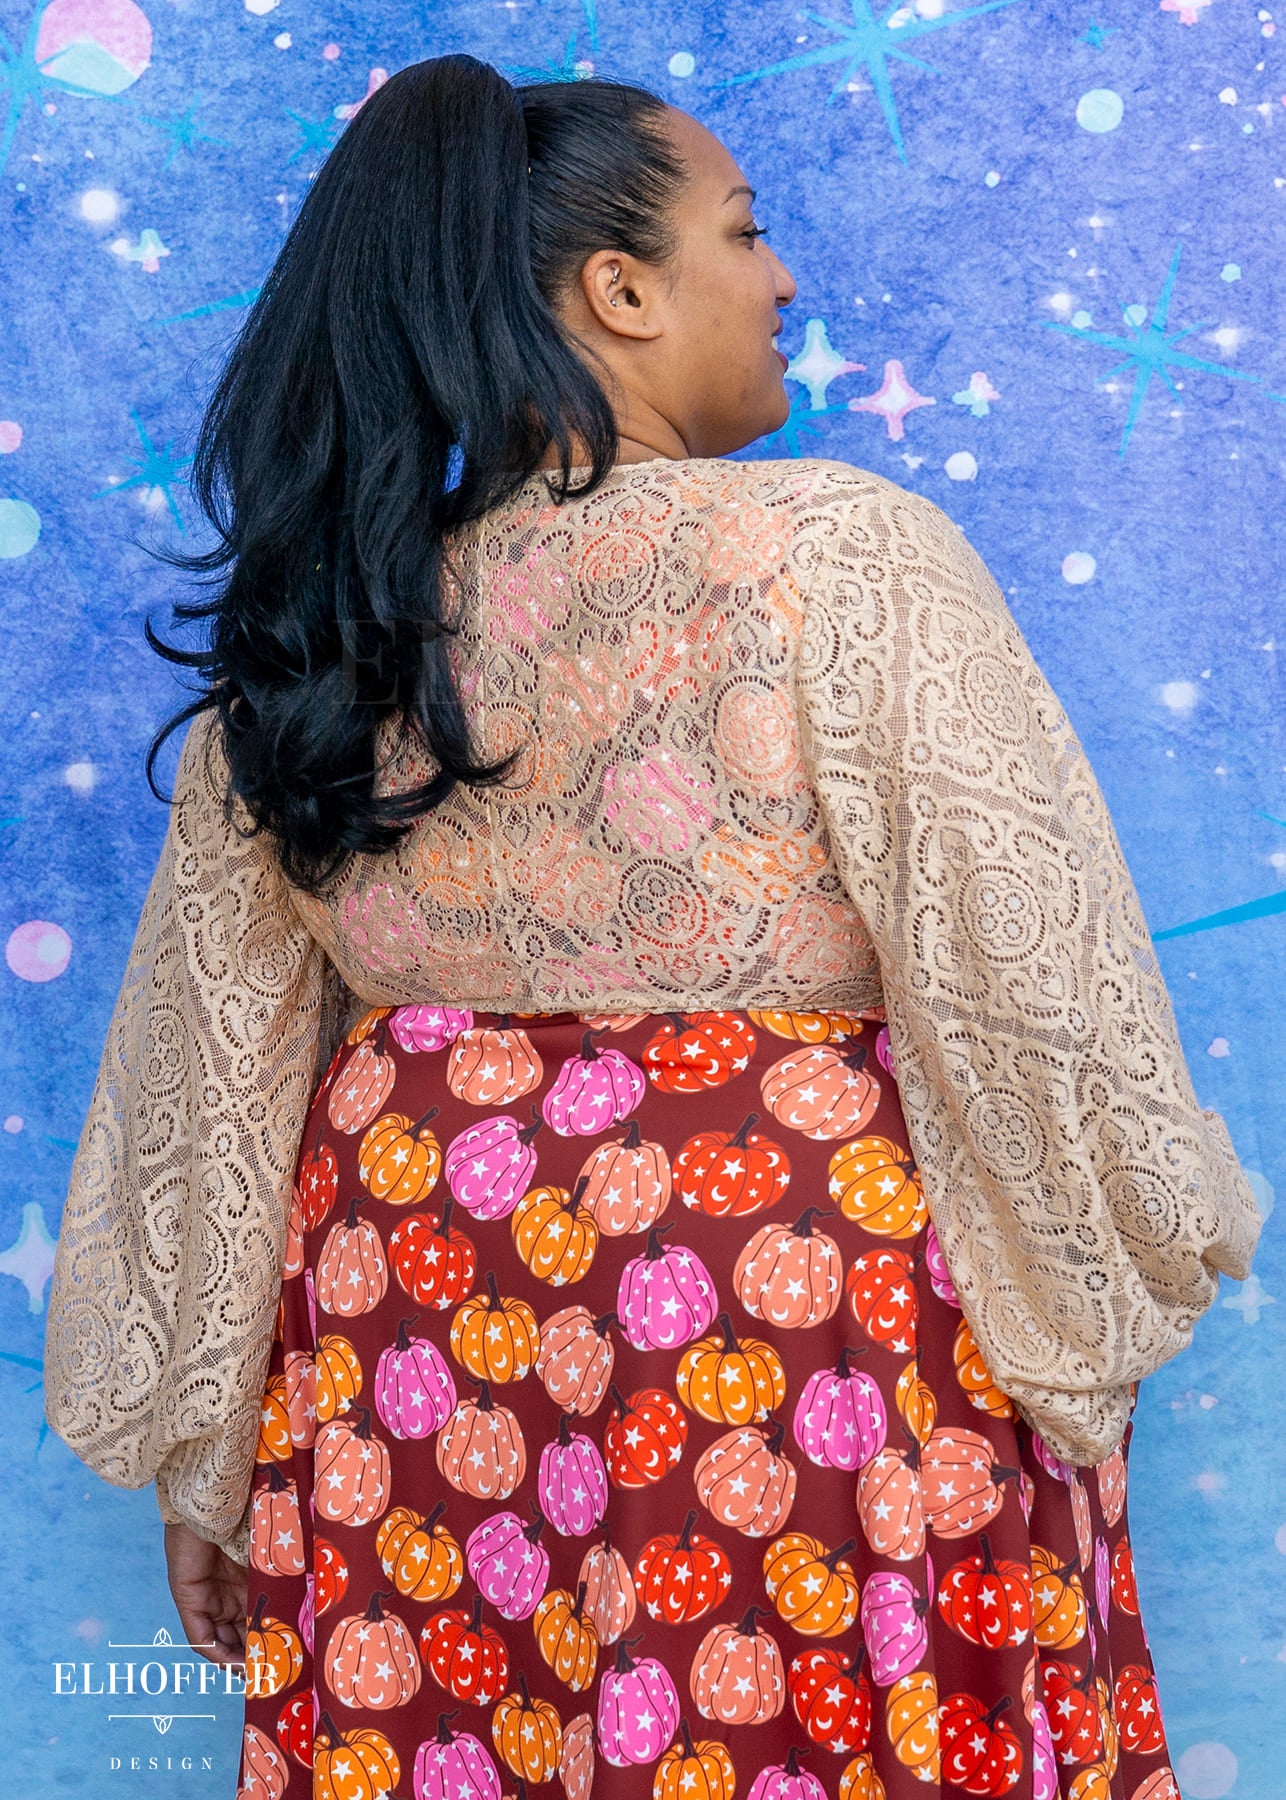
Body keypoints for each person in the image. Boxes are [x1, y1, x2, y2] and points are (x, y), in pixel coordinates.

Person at [43, 53, 1261, 1800]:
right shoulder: (836, 552)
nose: (783, 280)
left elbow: (206, 1070)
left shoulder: (335, 612)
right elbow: (1029, 985)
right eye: (744, 233)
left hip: (404, 1331)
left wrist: (210, 1454)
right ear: (618, 292)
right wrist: (1095, 1294)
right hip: (789, 1321)